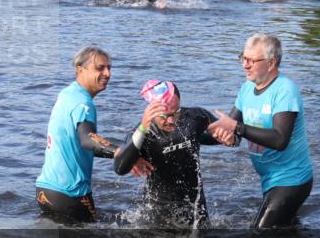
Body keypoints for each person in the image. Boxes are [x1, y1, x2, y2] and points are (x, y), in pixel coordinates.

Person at [208, 33, 313, 229]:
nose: (245, 65)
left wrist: (236, 128)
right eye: (243, 58)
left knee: (259, 237)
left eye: (252, 61)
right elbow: (233, 130)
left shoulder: (285, 90)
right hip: (269, 179)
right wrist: (223, 135)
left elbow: (280, 140)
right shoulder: (247, 88)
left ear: (271, 63)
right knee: (286, 232)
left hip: (291, 179)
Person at [113, 81, 226, 228]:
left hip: (196, 207)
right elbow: (120, 168)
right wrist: (142, 129)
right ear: (151, 111)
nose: (172, 120)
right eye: (164, 116)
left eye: (175, 112)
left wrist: (228, 136)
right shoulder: (142, 134)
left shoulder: (195, 117)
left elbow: (229, 137)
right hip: (159, 212)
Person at [35, 46, 124, 223]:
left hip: (44, 191)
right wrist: (118, 152)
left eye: (109, 67)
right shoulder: (83, 103)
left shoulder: (67, 94)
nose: (107, 73)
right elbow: (87, 139)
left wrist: (119, 151)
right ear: (80, 70)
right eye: (100, 68)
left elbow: (83, 142)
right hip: (70, 195)